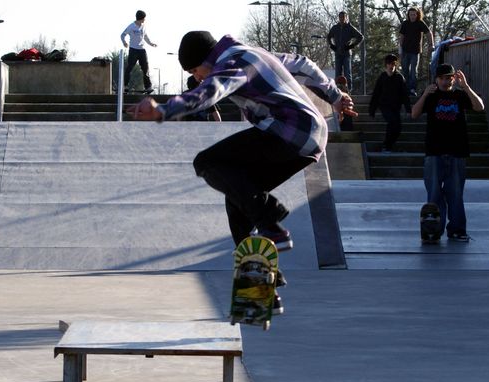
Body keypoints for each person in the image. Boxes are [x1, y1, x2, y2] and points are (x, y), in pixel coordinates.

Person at [129, 31, 356, 313]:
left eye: (194, 70)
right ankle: (259, 289)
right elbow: (303, 63)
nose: (198, 77)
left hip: (288, 131)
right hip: (310, 139)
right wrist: (335, 96)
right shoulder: (257, 53)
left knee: (207, 163)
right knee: (237, 194)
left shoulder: (232, 64)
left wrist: (164, 109)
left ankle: (271, 221)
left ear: (204, 60)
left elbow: (210, 93)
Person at [410, 64, 485, 242]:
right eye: (442, 78)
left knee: (456, 193)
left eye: (449, 78)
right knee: (434, 193)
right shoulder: (431, 96)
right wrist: (424, 94)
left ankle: (457, 229)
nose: (446, 81)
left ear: (454, 79)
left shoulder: (459, 95)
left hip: (457, 151)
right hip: (434, 151)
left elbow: (480, 107)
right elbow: (414, 114)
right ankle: (433, 230)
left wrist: (466, 86)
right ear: (436, 79)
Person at [369, 54, 410, 152]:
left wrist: (408, 109)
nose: (391, 66)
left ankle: (389, 145)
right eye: (389, 64)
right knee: (392, 122)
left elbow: (405, 95)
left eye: (393, 64)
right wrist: (372, 109)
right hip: (384, 106)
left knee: (398, 127)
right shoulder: (382, 77)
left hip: (395, 107)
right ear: (386, 65)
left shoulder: (399, 77)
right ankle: (386, 146)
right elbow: (376, 94)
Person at [398, 7, 434, 95]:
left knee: (414, 71)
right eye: (411, 14)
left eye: (414, 14)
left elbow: (429, 33)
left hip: (415, 51)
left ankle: (412, 89)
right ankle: (404, 89)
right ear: (408, 15)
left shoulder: (420, 23)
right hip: (405, 50)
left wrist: (431, 44)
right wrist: (400, 48)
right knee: (405, 70)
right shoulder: (405, 24)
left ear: (417, 15)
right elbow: (401, 37)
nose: (412, 16)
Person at [120, 10, 157, 94]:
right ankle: (125, 86)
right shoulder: (131, 26)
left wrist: (151, 43)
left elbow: (145, 36)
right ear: (141, 18)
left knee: (145, 69)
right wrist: (124, 42)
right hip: (133, 50)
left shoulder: (143, 26)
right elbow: (122, 35)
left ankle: (148, 86)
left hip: (142, 50)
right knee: (129, 68)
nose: (145, 20)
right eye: (144, 18)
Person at [326, 11, 364, 93]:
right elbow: (328, 37)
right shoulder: (335, 28)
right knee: (337, 74)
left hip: (346, 54)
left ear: (346, 18)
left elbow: (360, 37)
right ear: (339, 18)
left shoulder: (350, 28)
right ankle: (337, 91)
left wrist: (351, 46)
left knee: (347, 74)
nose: (342, 19)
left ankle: (349, 91)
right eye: (340, 17)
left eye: (343, 17)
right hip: (338, 54)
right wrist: (332, 45)